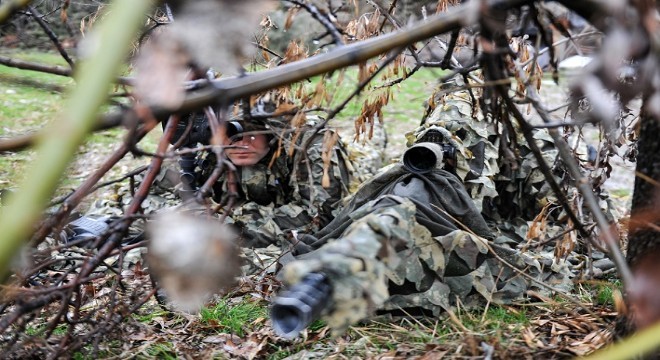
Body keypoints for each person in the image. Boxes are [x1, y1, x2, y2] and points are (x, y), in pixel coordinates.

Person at [271, 84, 580, 337]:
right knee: (386, 219)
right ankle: (330, 278)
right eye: (437, 129)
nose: (455, 142)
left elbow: (569, 229)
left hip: (501, 234)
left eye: (466, 133)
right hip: (412, 230)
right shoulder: (417, 174)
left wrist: (498, 240)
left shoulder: (531, 152)